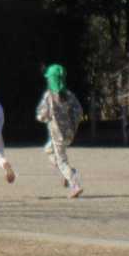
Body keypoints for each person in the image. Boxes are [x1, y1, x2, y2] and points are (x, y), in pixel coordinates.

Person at [35, 63, 84, 198]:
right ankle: (66, 173)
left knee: (62, 161)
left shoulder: (49, 96)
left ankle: (75, 184)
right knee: (48, 150)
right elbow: (79, 112)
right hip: (69, 133)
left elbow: (41, 114)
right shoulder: (70, 95)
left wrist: (44, 118)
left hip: (57, 134)